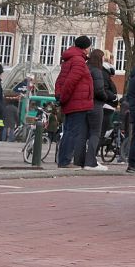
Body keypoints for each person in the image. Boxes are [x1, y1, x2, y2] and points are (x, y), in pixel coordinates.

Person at [55, 36, 95, 169]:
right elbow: (70, 82)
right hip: (77, 102)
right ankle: (65, 161)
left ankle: (64, 159)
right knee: (71, 132)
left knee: (68, 131)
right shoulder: (78, 61)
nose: (90, 49)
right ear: (85, 47)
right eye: (89, 46)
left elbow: (61, 80)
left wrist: (60, 97)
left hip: (73, 101)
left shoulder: (70, 59)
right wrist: (64, 98)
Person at [80, 49, 118, 171]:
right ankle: (90, 162)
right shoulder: (97, 71)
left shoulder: (86, 68)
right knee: (96, 133)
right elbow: (99, 90)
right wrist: (109, 97)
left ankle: (80, 160)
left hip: (84, 103)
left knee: (84, 133)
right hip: (96, 104)